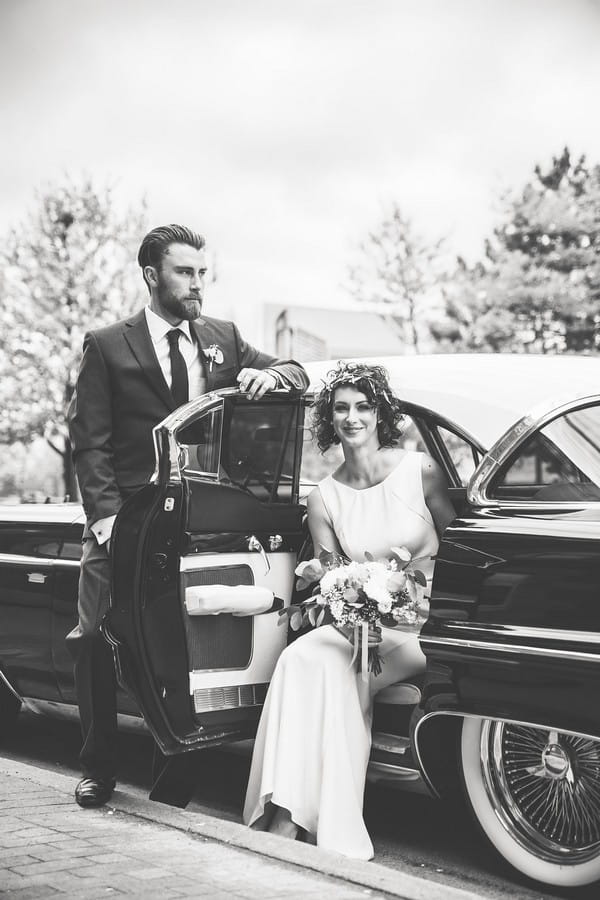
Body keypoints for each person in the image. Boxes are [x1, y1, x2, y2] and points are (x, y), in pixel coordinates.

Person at [67, 223, 309, 809]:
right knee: (96, 638)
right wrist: (104, 519)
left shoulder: (222, 337)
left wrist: (270, 375)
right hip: (123, 524)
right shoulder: (107, 345)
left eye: (203, 272)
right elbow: (89, 442)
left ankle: (173, 783)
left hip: (196, 527)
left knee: (184, 644)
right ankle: (98, 768)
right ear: (152, 276)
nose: (198, 283)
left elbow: (297, 373)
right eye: (185, 272)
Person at [243, 361, 455, 859]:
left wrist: (425, 609)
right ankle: (286, 810)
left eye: (363, 406)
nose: (352, 417)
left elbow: (463, 549)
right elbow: (329, 580)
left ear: (380, 412)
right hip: (360, 628)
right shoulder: (324, 498)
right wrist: (353, 615)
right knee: (300, 659)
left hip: (423, 627)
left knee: (342, 675)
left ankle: (298, 823)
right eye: (341, 408)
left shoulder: (419, 471)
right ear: (330, 419)